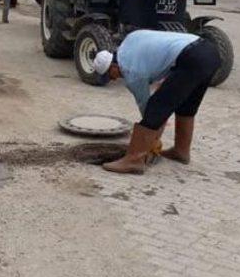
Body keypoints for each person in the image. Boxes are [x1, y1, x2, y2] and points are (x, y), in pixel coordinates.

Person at [92, 29, 220, 174]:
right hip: (209, 52)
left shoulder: (130, 71)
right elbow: (157, 51)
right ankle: (181, 152)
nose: (114, 79)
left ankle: (134, 160)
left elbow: (146, 105)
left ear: (112, 66)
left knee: (156, 107)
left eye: (110, 75)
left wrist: (153, 137)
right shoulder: (129, 42)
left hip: (191, 58)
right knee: (186, 106)